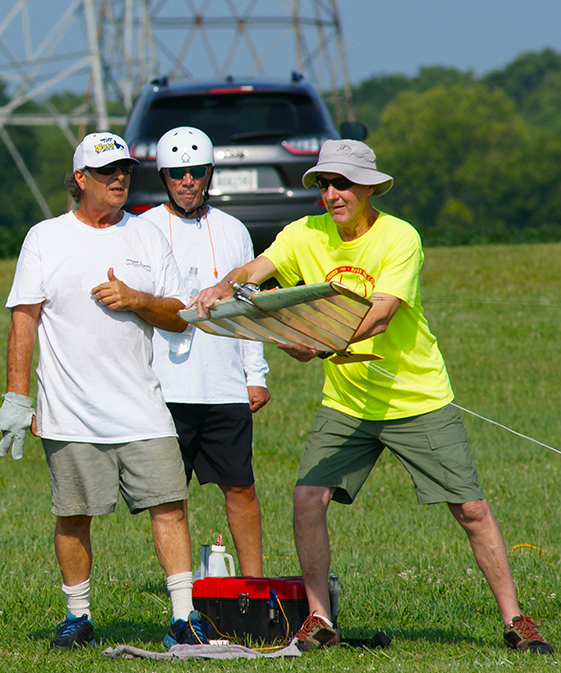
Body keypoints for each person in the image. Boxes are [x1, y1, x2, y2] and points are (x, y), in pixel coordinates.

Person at [192, 139, 554, 654]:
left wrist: (317, 345)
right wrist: (226, 287)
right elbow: (258, 270)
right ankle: (318, 619)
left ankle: (516, 620)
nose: (332, 194)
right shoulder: (304, 233)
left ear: (368, 188)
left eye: (343, 184)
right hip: (348, 402)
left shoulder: (399, 237)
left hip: (417, 397)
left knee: (471, 508)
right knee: (307, 499)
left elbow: (381, 313)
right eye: (324, 184)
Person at [0, 132, 209, 650]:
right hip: (70, 411)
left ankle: (184, 617)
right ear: (80, 179)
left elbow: (180, 318)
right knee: (73, 514)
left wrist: (137, 299)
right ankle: (78, 617)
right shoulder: (45, 238)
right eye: (107, 171)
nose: (119, 179)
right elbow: (24, 321)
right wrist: (17, 399)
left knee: (171, 505)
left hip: (141, 406)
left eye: (126, 170)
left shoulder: (147, 235)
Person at [141, 126, 270, 577]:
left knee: (241, 489)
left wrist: (256, 373)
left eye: (196, 172)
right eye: (177, 173)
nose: (187, 181)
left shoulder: (233, 230)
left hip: (224, 386)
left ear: (210, 174)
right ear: (164, 177)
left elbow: (247, 309)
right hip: (164, 388)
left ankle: (252, 585)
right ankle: (182, 597)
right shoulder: (144, 230)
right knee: (169, 499)